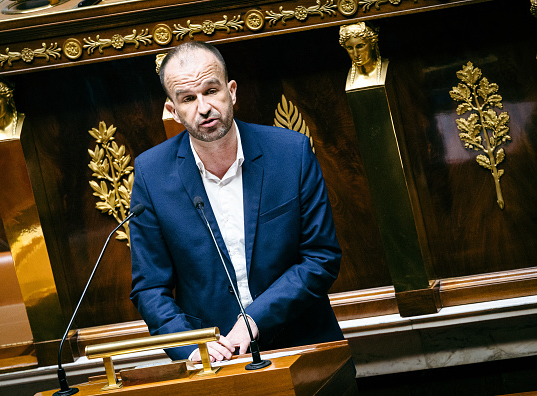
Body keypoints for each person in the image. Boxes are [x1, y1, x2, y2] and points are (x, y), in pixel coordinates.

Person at [129, 41, 343, 362]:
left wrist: (254, 318)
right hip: (217, 359)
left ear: (231, 91)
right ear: (172, 111)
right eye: (188, 98)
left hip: (303, 342)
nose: (203, 107)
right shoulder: (151, 173)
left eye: (211, 90)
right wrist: (190, 345)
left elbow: (321, 257)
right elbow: (150, 287)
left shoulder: (291, 153)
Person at [339, 22, 389, 90]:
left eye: (360, 46)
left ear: (372, 44)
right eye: (350, 48)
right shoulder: (347, 76)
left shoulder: (388, 67)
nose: (356, 54)